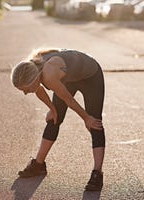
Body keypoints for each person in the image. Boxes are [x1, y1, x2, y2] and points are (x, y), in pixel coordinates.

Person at [10, 48, 105, 191]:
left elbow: (69, 100)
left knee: (94, 123)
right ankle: (39, 164)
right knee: (54, 119)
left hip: (90, 76)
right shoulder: (33, 69)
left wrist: (86, 118)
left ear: (34, 79)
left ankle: (97, 173)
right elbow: (38, 89)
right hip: (68, 78)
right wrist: (52, 109)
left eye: (26, 89)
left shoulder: (48, 74)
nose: (25, 93)